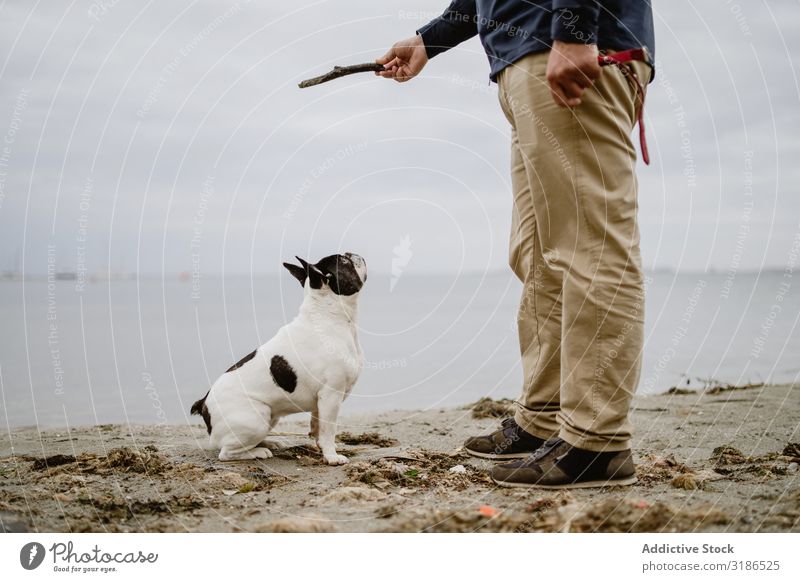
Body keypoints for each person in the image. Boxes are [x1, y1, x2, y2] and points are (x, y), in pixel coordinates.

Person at [377, 1, 655, 489]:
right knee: (538, 253)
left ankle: (597, 441)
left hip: (570, 44)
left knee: (590, 246)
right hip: (525, 56)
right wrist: (429, 40)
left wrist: (575, 30)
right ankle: (545, 418)